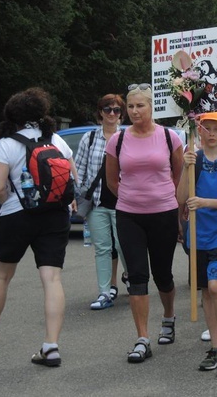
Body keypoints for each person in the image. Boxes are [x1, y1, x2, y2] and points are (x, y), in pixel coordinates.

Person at [0, 87, 75, 367]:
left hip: (17, 215)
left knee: (1, 276)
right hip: (55, 215)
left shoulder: (7, 143)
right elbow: (72, 180)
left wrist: (10, 202)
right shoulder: (57, 141)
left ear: (12, 115)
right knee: (51, 279)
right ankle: (51, 347)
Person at [105, 83, 184, 363]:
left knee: (163, 274)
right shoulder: (118, 140)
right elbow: (112, 180)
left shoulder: (169, 137)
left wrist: (169, 202)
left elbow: (179, 175)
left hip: (163, 213)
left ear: (152, 107)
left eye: (141, 105)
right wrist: (130, 197)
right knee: (137, 276)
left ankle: (168, 316)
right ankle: (142, 338)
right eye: (131, 106)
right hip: (129, 215)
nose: (135, 110)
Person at [177, 112, 217, 377]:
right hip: (197, 234)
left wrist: (204, 202)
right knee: (205, 291)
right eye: (207, 128)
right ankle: (215, 347)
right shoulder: (194, 160)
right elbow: (180, 197)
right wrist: (184, 167)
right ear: (200, 131)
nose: (212, 133)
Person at [74, 94, 128, 310]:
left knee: (124, 245)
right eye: (108, 109)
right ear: (100, 112)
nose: (112, 114)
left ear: (121, 114)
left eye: (116, 110)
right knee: (103, 249)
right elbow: (79, 171)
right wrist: (78, 195)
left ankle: (133, 280)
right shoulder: (90, 138)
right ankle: (105, 292)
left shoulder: (127, 137)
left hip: (124, 201)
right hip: (97, 203)